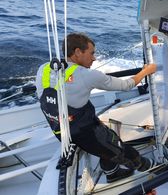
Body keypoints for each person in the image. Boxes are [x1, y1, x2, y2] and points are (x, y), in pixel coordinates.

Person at [36, 32, 157, 183]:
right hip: (83, 133)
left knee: (108, 135)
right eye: (91, 53)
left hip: (61, 131)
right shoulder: (87, 75)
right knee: (121, 150)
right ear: (78, 52)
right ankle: (151, 166)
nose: (94, 58)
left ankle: (112, 173)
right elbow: (127, 85)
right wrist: (146, 71)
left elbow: (59, 96)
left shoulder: (44, 69)